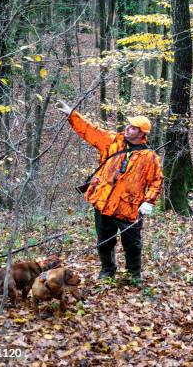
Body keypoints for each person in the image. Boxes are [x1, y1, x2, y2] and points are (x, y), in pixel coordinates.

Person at [56, 100, 163, 285]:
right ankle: (107, 270)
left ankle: (134, 274)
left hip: (129, 208)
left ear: (142, 133)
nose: (128, 128)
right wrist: (71, 114)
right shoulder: (112, 141)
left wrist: (149, 201)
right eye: (129, 125)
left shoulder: (149, 157)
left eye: (133, 127)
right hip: (103, 202)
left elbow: (156, 181)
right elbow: (90, 131)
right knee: (104, 241)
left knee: (133, 244)